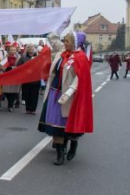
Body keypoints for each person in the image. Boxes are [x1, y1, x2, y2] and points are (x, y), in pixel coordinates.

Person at [38, 31, 94, 165]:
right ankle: (60, 153)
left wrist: (69, 93)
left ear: (75, 43)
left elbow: (80, 78)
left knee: (69, 125)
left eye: (67, 41)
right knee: (56, 125)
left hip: (70, 96)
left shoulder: (80, 57)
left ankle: (73, 144)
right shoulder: (61, 53)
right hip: (54, 93)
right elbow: (52, 38)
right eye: (64, 41)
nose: (65, 43)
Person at [19, 44, 41, 115]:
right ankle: (28, 108)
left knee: (35, 95)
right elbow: (19, 66)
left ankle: (33, 109)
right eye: (29, 47)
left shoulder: (38, 57)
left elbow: (42, 65)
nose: (31, 48)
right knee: (27, 94)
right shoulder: (23, 57)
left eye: (32, 47)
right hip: (27, 79)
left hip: (36, 79)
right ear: (26, 49)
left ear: (34, 48)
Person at [1, 44, 21, 112]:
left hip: (15, 76)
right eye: (11, 50)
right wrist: (8, 68)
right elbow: (2, 66)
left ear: (16, 51)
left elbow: (21, 66)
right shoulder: (5, 58)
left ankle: (10, 105)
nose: (13, 51)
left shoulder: (19, 58)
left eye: (14, 50)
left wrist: (14, 68)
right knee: (6, 91)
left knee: (13, 91)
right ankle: (10, 102)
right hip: (7, 75)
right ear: (8, 51)